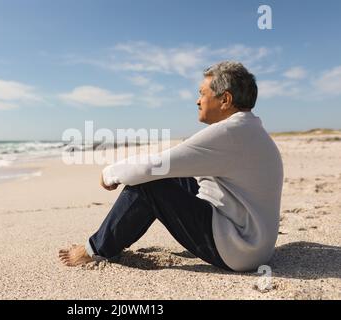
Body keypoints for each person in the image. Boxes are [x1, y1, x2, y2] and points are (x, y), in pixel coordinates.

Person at [59, 61, 284, 272]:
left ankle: (95, 250)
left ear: (225, 99)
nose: (198, 101)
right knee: (176, 176)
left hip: (239, 250)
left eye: (202, 94)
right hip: (256, 242)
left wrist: (109, 173)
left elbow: (154, 167)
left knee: (149, 184)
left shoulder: (229, 132)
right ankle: (110, 241)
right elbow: (176, 162)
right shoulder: (249, 130)